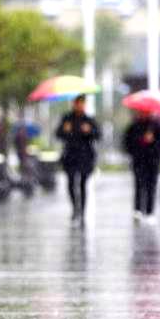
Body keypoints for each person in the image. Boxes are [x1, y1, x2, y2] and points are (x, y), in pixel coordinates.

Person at [55, 94, 100, 224]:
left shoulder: (89, 119)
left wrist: (89, 131)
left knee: (83, 184)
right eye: (77, 103)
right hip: (70, 156)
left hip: (85, 157)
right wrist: (65, 130)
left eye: (82, 103)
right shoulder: (67, 118)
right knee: (70, 183)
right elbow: (58, 134)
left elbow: (98, 135)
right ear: (73, 104)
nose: (80, 106)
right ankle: (75, 209)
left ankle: (82, 212)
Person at [123, 109, 160, 223]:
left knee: (151, 187)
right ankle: (137, 209)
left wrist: (153, 141)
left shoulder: (156, 126)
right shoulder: (134, 126)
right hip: (139, 161)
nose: (144, 114)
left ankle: (150, 212)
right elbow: (127, 143)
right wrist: (140, 141)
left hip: (153, 161)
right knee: (139, 185)